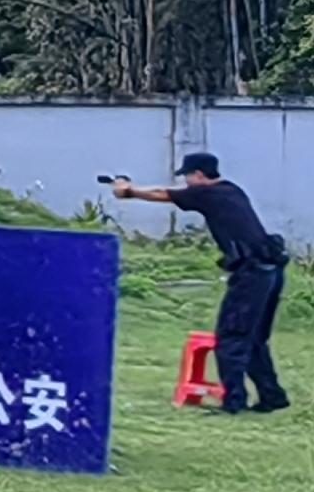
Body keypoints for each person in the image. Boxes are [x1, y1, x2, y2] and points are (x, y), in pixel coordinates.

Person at [112, 153, 288, 412]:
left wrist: (127, 191)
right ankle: (272, 397)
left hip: (251, 274)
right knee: (253, 339)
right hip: (271, 271)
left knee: (231, 338)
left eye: (188, 175)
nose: (187, 180)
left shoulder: (205, 193)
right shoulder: (231, 190)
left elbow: (163, 195)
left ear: (199, 175)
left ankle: (233, 402)